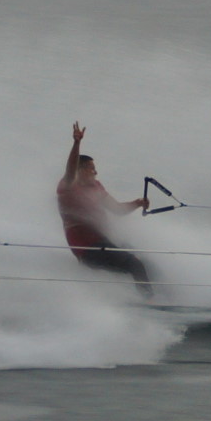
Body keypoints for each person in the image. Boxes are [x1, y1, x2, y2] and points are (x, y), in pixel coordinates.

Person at [57, 122, 153, 297]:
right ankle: (150, 302)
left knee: (147, 261)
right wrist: (77, 143)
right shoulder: (68, 186)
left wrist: (137, 203)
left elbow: (117, 209)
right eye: (92, 169)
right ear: (80, 170)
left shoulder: (96, 187)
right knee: (135, 265)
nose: (96, 172)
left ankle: (160, 298)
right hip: (88, 249)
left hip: (104, 243)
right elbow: (70, 169)